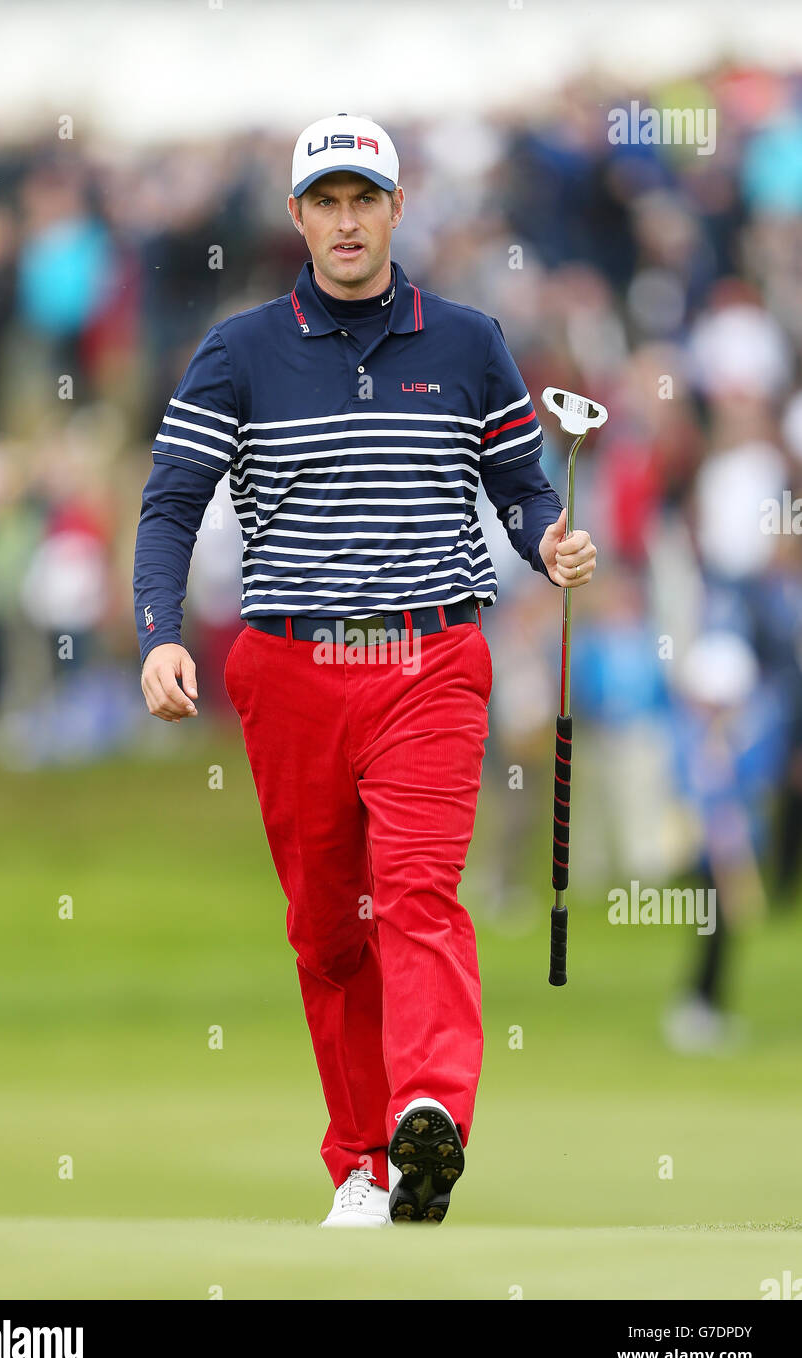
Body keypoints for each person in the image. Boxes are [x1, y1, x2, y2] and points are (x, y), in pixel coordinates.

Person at [132, 114, 598, 1226]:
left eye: (366, 200)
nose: (347, 221)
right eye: (326, 202)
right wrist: (157, 630)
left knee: (419, 895)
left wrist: (548, 540)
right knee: (330, 929)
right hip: (289, 667)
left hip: (429, 656)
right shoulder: (238, 349)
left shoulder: (471, 340)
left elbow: (524, 489)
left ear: (398, 207)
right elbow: (169, 504)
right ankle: (365, 1163)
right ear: (297, 216)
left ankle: (427, 1112)